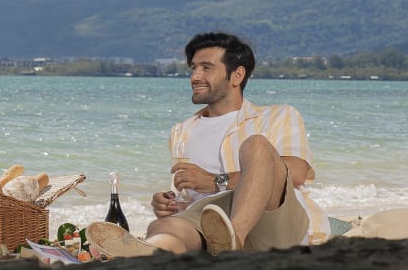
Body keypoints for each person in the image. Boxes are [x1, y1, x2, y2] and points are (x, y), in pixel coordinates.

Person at [88, 31, 328, 258]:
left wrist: (215, 181)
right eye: (193, 68)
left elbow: (296, 173)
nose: (195, 77)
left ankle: (233, 240)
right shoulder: (182, 131)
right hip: (209, 224)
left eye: (206, 68)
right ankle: (148, 253)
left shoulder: (277, 116)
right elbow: (188, 198)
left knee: (256, 146)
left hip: (273, 223)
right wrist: (168, 204)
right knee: (164, 226)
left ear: (237, 75)